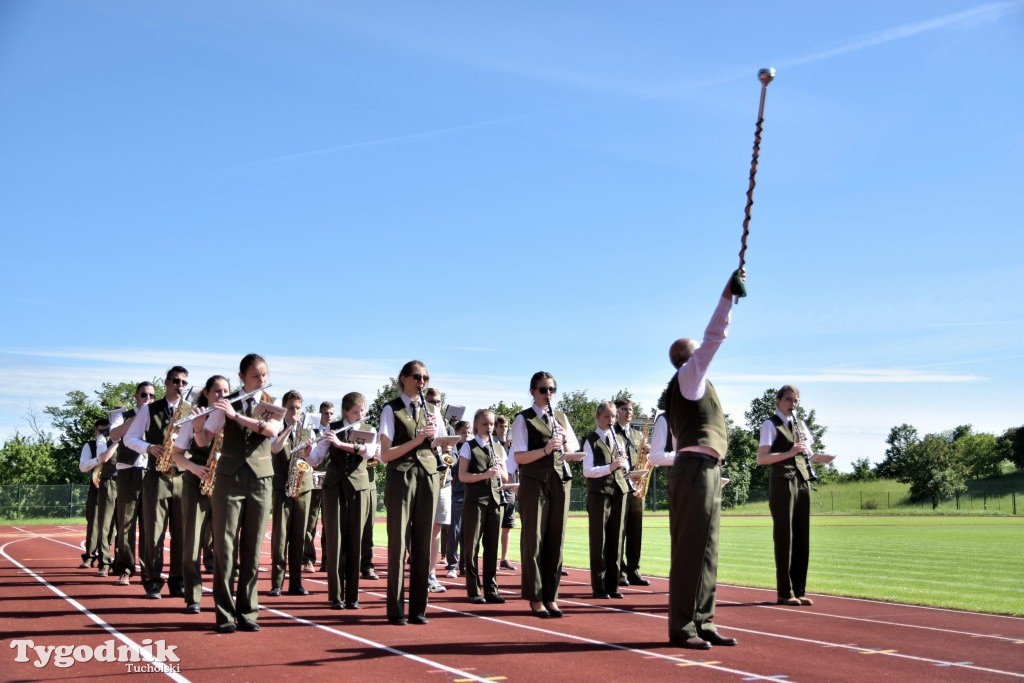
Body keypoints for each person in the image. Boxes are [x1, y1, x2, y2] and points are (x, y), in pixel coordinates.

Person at [649, 270, 744, 650]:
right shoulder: (690, 377)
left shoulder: (690, 387)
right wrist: (727, 297)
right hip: (694, 471)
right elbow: (715, 336)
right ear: (688, 358)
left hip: (703, 469)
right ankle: (683, 627)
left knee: (707, 550)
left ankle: (703, 620)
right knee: (691, 550)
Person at [197, 353, 282, 633]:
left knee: (253, 548)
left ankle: (248, 611)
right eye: (256, 375)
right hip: (229, 478)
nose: (262, 380)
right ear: (242, 376)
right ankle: (224, 614)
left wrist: (237, 416)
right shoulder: (226, 402)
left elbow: (270, 430)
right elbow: (203, 438)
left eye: (265, 375)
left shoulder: (271, 404)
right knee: (224, 546)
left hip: (260, 478)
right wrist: (199, 420)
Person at [378, 360, 442, 625]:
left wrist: (442, 442)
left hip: (428, 474)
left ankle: (419, 608)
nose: (422, 382)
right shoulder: (391, 409)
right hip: (401, 475)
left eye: (425, 377)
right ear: (404, 378)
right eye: (417, 377)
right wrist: (417, 439)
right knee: (398, 544)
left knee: (423, 541)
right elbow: (385, 454)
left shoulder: (431, 409)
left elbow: (437, 442)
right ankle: (395, 609)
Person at [511, 371, 579, 618]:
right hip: (534, 482)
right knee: (534, 540)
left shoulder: (560, 417)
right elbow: (518, 457)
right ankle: (536, 597)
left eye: (552, 389)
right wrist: (545, 448)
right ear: (532, 391)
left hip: (560, 480)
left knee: (556, 540)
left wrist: (563, 442)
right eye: (543, 389)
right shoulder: (523, 419)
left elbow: (572, 450)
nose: (548, 394)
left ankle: (552, 596)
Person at [125, 365, 191, 600]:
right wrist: (149, 447)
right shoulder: (149, 410)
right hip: (156, 476)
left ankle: (178, 580)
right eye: (175, 381)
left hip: (183, 476)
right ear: (166, 382)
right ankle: (152, 581)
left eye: (183, 382)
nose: (179, 385)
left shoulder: (191, 411)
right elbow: (129, 438)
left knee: (183, 533)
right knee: (154, 532)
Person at [308, 391, 378, 610]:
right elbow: (317, 458)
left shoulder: (369, 429)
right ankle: (336, 595)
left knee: (355, 539)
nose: (360, 415)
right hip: (334, 486)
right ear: (346, 412)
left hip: (359, 486)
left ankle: (353, 596)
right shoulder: (333, 428)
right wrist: (307, 451)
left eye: (362, 411)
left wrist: (340, 444)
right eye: (356, 412)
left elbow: (370, 452)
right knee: (335, 540)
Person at [171, 374, 230, 614]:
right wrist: (194, 468)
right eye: (217, 391)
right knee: (192, 542)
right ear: (206, 393)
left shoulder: (232, 417)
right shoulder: (193, 417)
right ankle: (193, 596)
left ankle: (222, 597)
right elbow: (176, 454)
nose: (222, 396)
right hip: (196, 481)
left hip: (224, 484)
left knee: (224, 544)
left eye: (226, 391)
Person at [757, 385, 814, 607]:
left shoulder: (800, 424)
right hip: (782, 482)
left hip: (802, 480)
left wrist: (818, 456)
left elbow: (807, 452)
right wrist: (790, 452)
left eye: (796, 401)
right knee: (784, 537)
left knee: (802, 536)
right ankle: (784, 591)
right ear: (779, 401)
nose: (793, 404)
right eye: (789, 400)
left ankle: (799, 589)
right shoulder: (770, 424)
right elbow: (762, 458)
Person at [268, 390, 314, 598]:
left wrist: (309, 454)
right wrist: (289, 429)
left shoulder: (308, 431)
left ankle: (296, 583)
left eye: (298, 408)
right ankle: (276, 583)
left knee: (298, 537)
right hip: (281, 487)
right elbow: (275, 449)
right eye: (291, 408)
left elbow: (314, 462)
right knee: (280, 538)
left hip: (302, 487)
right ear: (284, 409)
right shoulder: (276, 428)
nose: (295, 412)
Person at [459, 409, 507, 604]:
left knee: (492, 547)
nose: (489, 428)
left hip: (495, 502)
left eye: (491, 424)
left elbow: (506, 477)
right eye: (485, 424)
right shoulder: (468, 447)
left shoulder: (498, 448)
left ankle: (491, 589)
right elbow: (462, 476)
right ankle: (473, 590)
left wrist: (499, 469)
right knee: (471, 547)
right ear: (477, 425)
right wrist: (484, 475)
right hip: (475, 502)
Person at [583, 401, 630, 599]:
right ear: (598, 417)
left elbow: (623, 465)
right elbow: (587, 471)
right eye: (606, 417)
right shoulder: (590, 440)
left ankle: (613, 584)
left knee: (616, 540)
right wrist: (610, 467)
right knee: (599, 540)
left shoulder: (618, 438)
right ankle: (599, 585)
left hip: (620, 490)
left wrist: (625, 465)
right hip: (600, 494)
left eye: (613, 417)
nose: (610, 420)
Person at [110, 382, 154, 586]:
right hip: (128, 471)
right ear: (136, 396)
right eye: (144, 395)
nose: (148, 399)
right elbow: (114, 434)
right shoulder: (123, 416)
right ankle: (125, 568)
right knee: (126, 523)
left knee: (150, 525)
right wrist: (141, 416)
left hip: (150, 473)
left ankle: (148, 570)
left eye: (152, 396)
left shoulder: (158, 415)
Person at [614, 399, 651, 586]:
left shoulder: (637, 435)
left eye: (630, 409)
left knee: (636, 532)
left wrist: (648, 455)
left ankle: (634, 569)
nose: (629, 412)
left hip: (637, 487)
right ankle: (620, 571)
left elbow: (645, 459)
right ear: (617, 411)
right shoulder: (612, 433)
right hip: (620, 486)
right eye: (624, 409)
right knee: (619, 531)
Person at [78, 418, 117, 572]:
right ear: (96, 431)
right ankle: (89, 556)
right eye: (101, 431)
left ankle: (111, 558)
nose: (104, 434)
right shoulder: (90, 445)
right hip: (96, 486)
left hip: (116, 484)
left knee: (112, 525)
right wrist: (99, 459)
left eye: (107, 430)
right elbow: (83, 466)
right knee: (93, 522)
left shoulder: (119, 442)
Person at [303, 401, 334, 573]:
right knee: (311, 522)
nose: (328, 416)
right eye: (325, 413)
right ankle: (308, 559)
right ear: (319, 414)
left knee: (329, 523)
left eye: (331, 413)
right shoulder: (312, 432)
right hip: (313, 479)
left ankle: (327, 560)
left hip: (329, 480)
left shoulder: (334, 432)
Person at [445, 420, 470, 579]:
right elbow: (452, 466)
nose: (467, 436)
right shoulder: (455, 448)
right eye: (463, 433)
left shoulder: (472, 447)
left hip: (470, 493)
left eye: (469, 433)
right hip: (456, 493)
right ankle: (452, 565)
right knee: (454, 531)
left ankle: (465, 565)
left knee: (468, 533)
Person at [495, 415, 517, 571]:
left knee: (507, 525)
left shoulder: (513, 445)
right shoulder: (493, 444)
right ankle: (491, 557)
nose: (504, 429)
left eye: (506, 427)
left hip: (510, 488)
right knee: (494, 525)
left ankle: (504, 558)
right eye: (501, 426)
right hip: (496, 488)